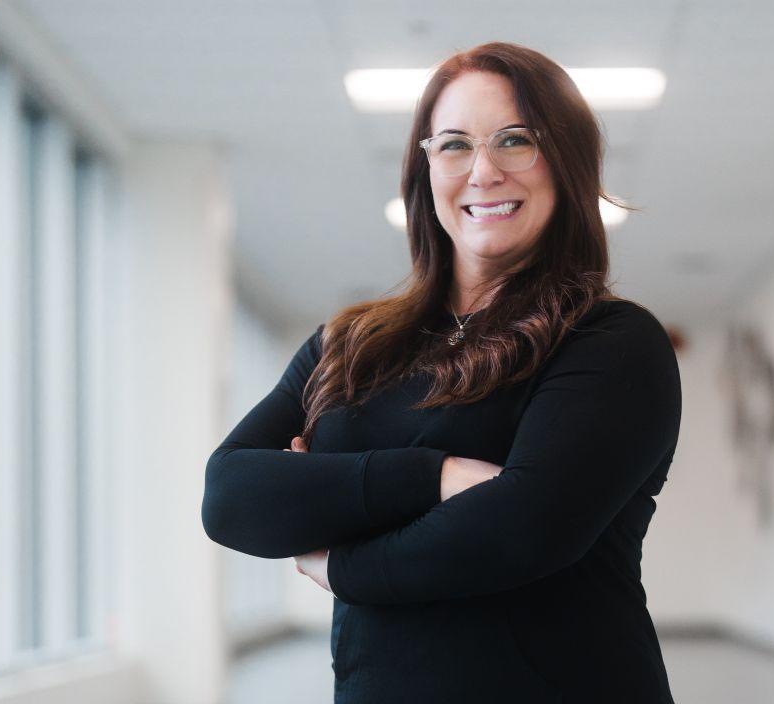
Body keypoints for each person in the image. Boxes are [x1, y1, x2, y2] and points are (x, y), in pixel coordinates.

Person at [201, 41, 683, 704]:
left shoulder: (612, 343)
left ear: (566, 160)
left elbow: (520, 532)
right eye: (454, 144)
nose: (483, 170)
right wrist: (438, 477)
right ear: (425, 167)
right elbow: (231, 496)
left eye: (516, 139)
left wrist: (337, 558)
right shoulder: (349, 345)